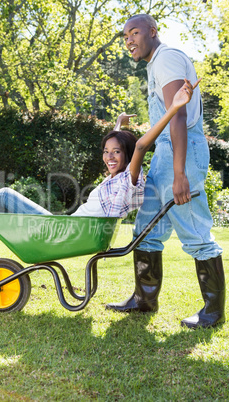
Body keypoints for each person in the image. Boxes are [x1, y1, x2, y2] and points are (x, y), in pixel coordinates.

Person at [106, 14, 226, 329]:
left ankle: (212, 312)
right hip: (165, 154)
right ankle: (144, 300)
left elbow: (178, 114)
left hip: (180, 155)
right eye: (124, 36)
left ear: (152, 32)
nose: (129, 40)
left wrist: (179, 173)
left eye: (134, 32)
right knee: (146, 229)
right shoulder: (155, 64)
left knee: (195, 232)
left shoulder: (167, 58)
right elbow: (166, 119)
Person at [0, 80, 196, 228]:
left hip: (64, 230)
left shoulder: (129, 180)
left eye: (116, 153)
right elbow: (114, 149)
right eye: (106, 152)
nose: (109, 157)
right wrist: (117, 124)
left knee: (5, 195)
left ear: (127, 156)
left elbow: (141, 146)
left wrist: (174, 107)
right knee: (5, 197)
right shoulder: (114, 179)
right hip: (66, 227)